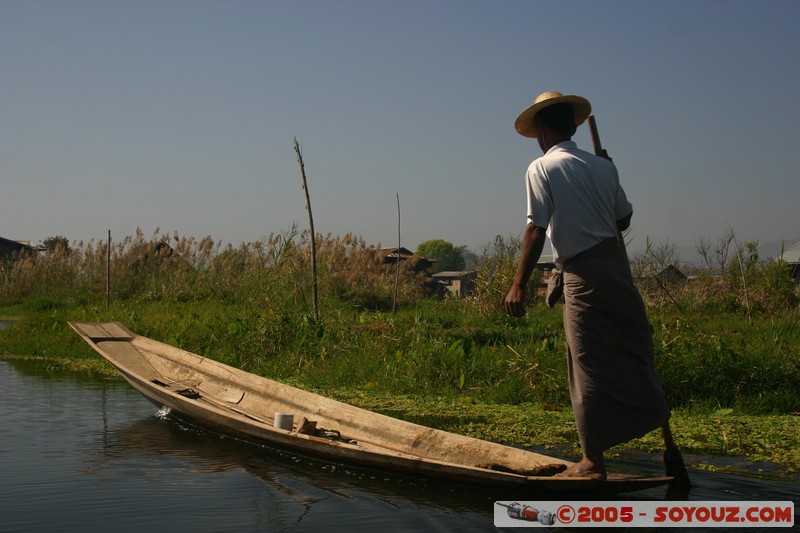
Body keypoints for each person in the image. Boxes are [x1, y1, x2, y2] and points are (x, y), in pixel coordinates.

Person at [504, 91, 670, 479]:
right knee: (632, 351)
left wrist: (517, 286)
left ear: (543, 129)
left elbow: (535, 228)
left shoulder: (541, 168)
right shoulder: (603, 168)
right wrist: (607, 174)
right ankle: (652, 426)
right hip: (616, 271)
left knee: (587, 363)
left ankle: (593, 461)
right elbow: (622, 220)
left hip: (583, 275)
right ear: (574, 126)